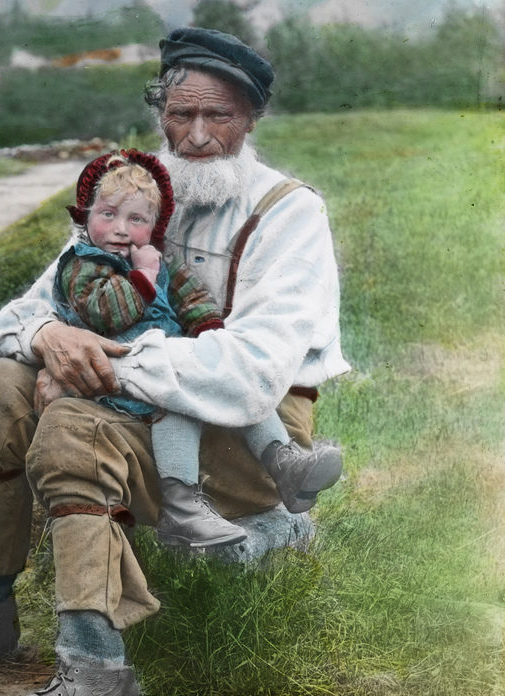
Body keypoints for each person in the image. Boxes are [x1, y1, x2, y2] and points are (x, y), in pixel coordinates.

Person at [0, 27, 351, 696]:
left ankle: (95, 664)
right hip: (136, 413)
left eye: (219, 115)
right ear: (160, 112)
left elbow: (250, 373)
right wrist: (48, 339)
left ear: (251, 117)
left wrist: (97, 368)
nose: (197, 136)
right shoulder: (131, 194)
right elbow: (20, 314)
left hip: (245, 442)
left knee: (74, 425)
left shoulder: (288, 213)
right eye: (181, 114)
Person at [55, 149, 342, 549]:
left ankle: (285, 464)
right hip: (124, 372)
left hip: (167, 359)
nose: (120, 229)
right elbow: (106, 313)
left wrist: (208, 327)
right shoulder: (83, 265)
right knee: (178, 401)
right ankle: (182, 506)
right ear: (85, 216)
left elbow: (190, 294)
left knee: (226, 379)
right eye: (109, 215)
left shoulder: (154, 258)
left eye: (136, 219)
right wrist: (143, 275)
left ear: (154, 225)